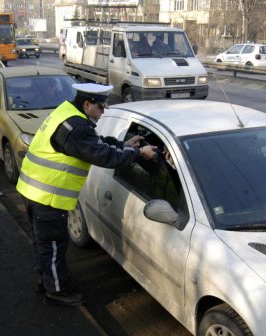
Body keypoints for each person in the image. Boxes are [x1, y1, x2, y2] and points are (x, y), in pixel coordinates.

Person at [16, 83, 158, 306]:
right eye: (101, 107)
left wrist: (123, 144)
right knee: (52, 246)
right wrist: (139, 152)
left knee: (44, 244)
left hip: (34, 190)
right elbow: (103, 156)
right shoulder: (77, 127)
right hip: (47, 196)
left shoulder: (68, 114)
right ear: (87, 104)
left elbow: (95, 143)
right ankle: (56, 290)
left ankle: (48, 281)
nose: (103, 112)